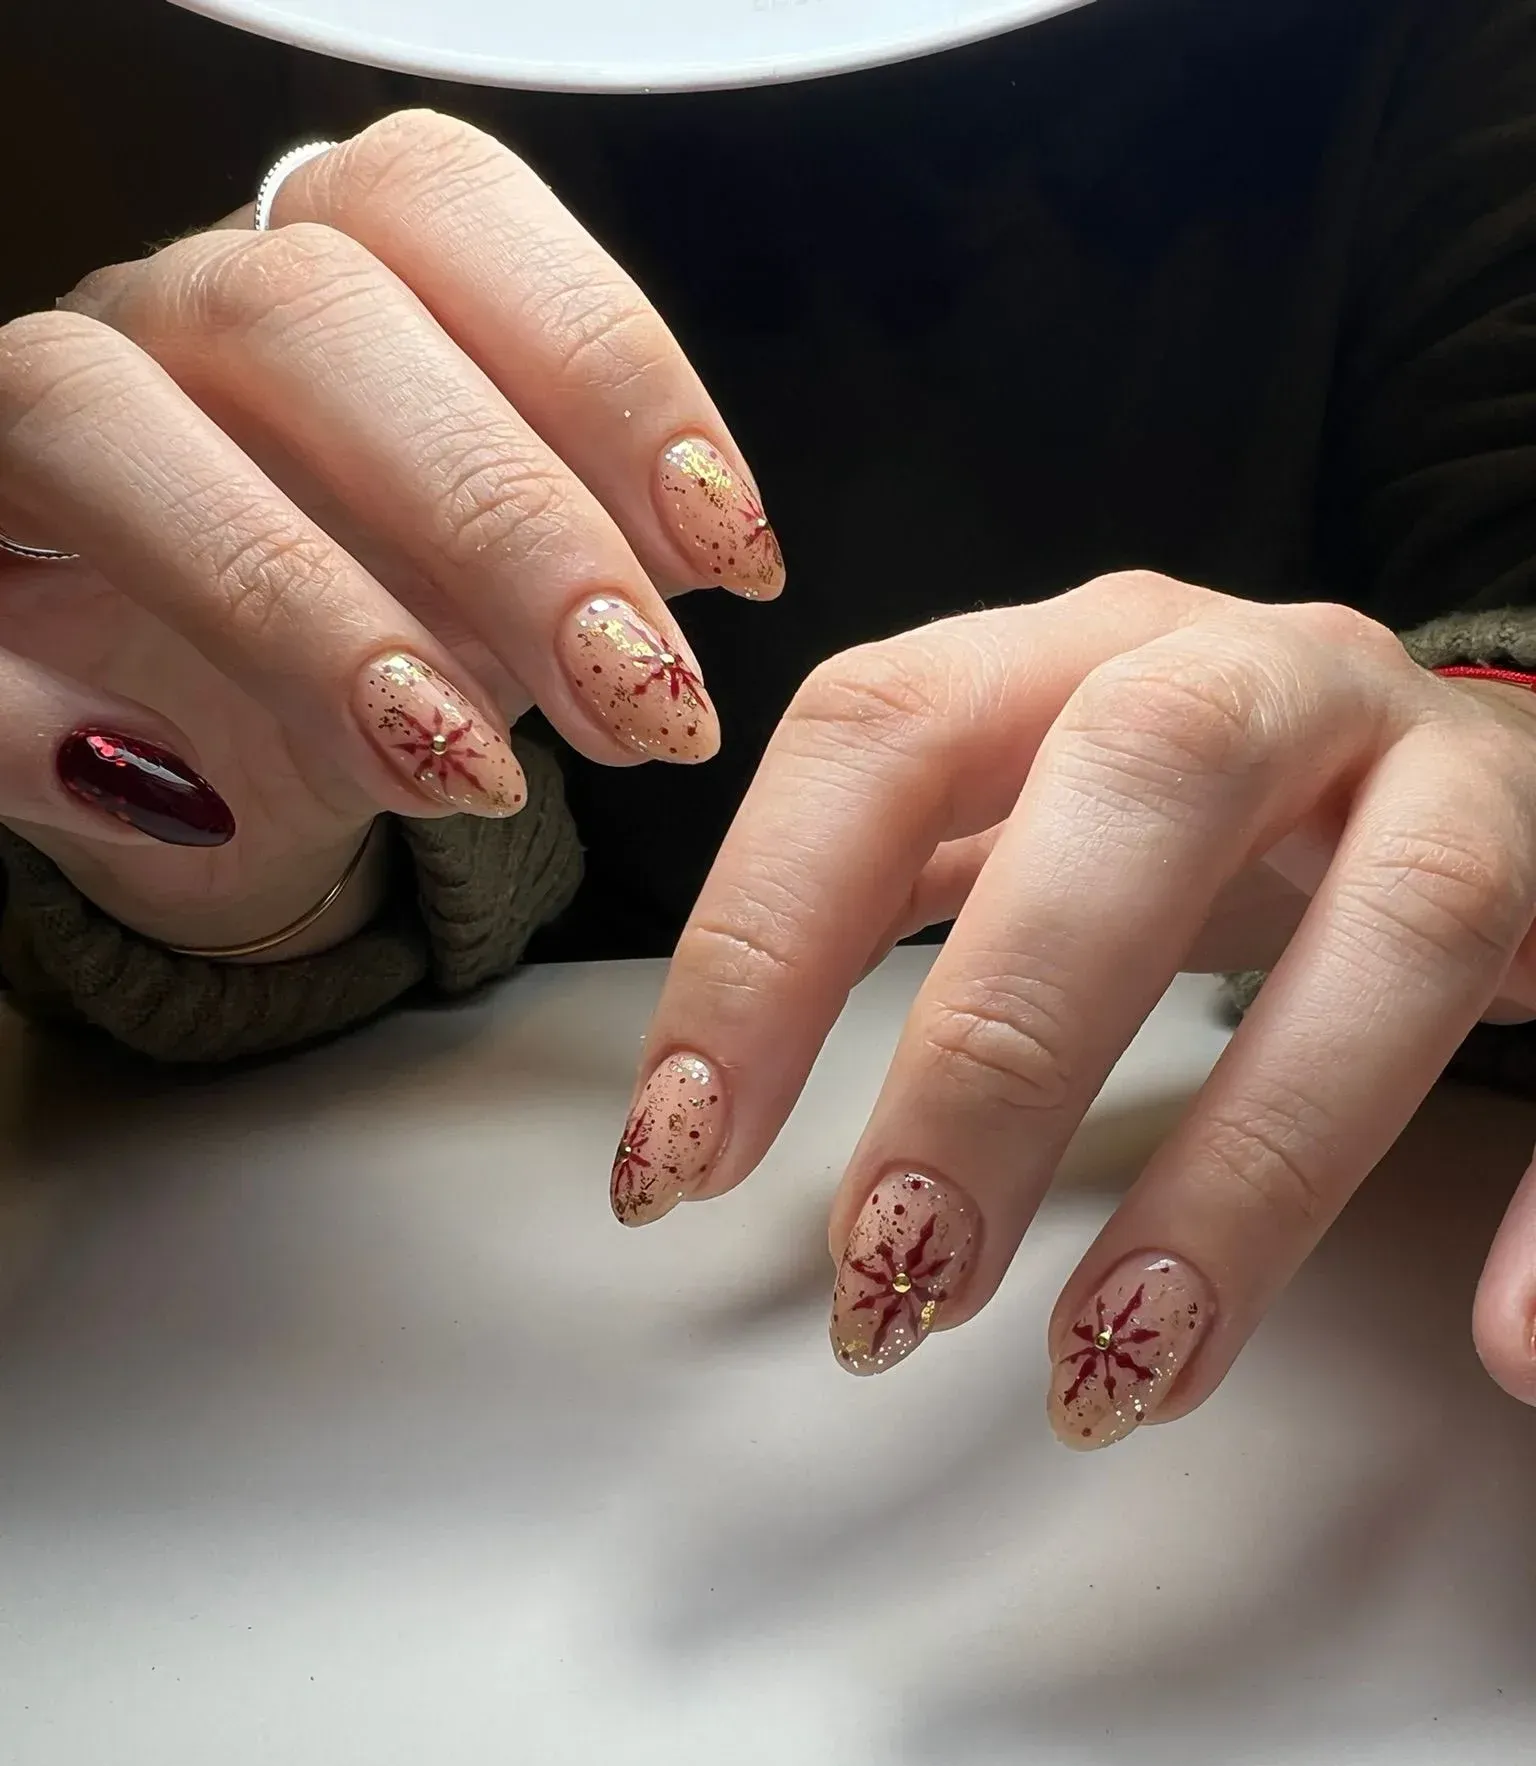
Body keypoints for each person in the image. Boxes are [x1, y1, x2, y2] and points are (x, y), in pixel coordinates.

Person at [2, 0, 1535, 1449]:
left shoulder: (1440, 60)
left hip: (1343, 1382)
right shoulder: (368, 42)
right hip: (426, 1368)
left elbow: (1505, 558)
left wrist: (1493, 741)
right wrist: (216, 849)